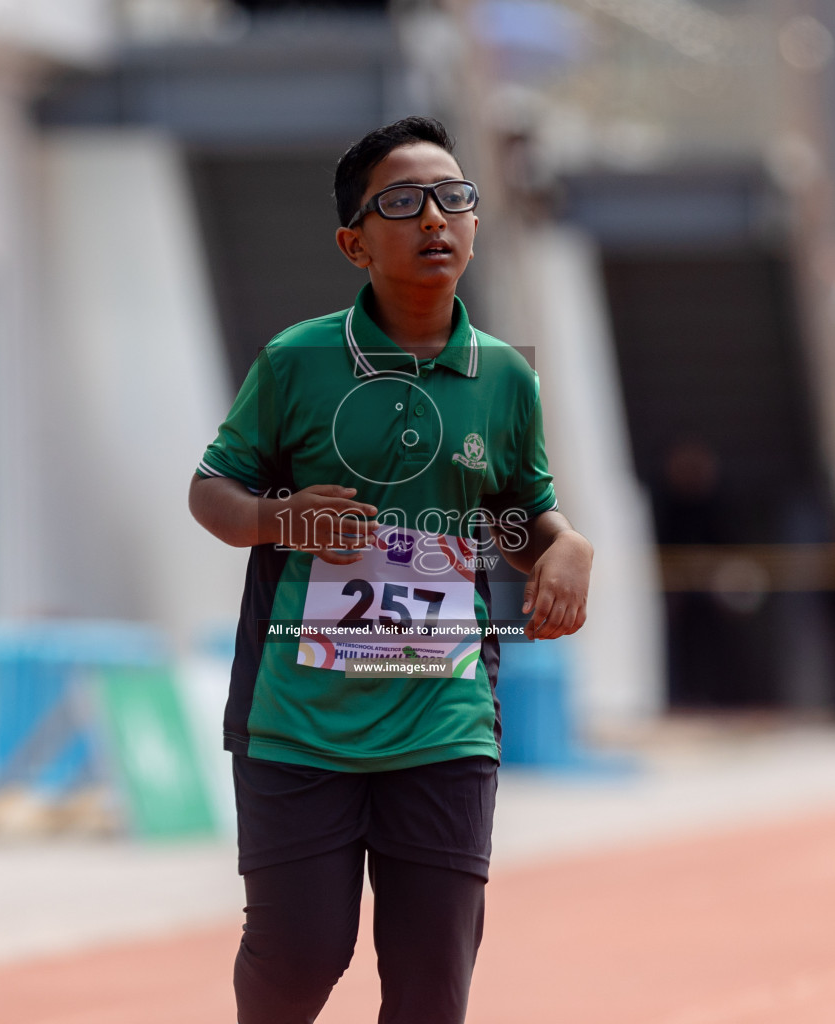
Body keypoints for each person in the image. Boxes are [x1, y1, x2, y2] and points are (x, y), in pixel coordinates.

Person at [187, 115, 593, 1024]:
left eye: (455, 198)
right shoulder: (298, 362)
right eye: (403, 203)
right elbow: (211, 492)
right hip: (300, 723)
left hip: (444, 721)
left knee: (430, 984)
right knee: (300, 956)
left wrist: (567, 547)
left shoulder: (503, 379)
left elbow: (521, 518)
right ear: (355, 242)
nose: (435, 219)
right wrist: (277, 518)